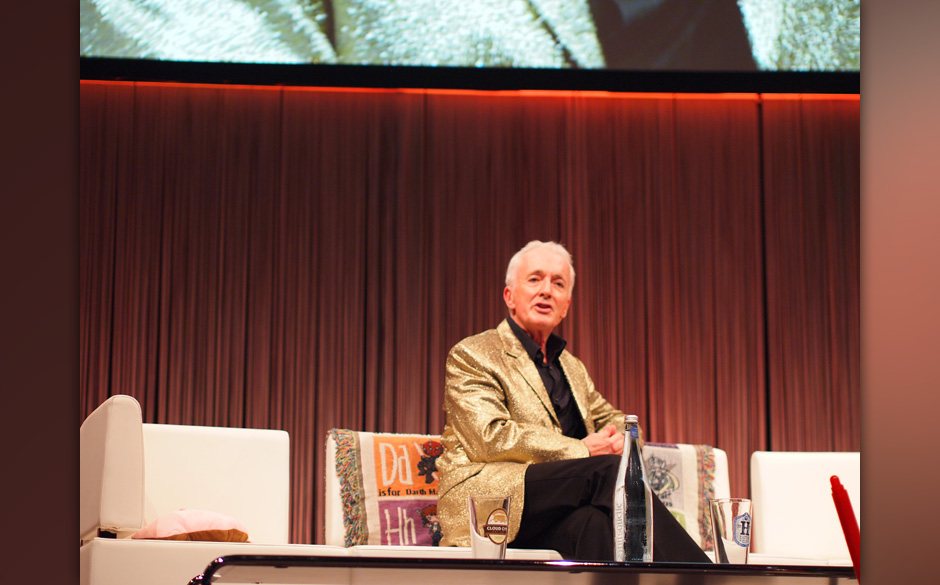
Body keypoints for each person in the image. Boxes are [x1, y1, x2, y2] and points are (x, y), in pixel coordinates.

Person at [437, 240, 710, 561]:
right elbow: (490, 438)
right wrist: (583, 450)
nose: (546, 290)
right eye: (535, 279)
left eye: (558, 283)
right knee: (609, 472)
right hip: (492, 499)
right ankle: (706, 575)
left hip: (555, 509)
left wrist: (624, 440)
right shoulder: (473, 353)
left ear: (566, 305)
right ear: (509, 296)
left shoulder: (571, 367)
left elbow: (613, 417)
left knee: (593, 525)